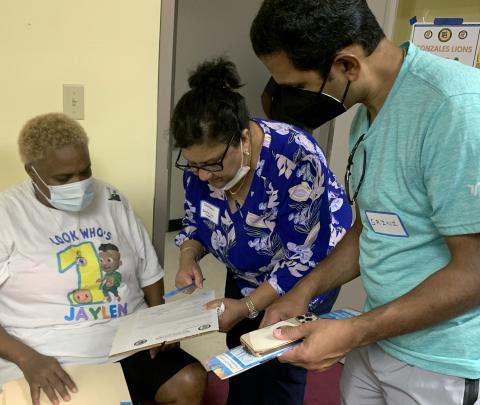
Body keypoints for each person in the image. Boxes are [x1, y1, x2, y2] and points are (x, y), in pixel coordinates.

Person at [250, 1, 480, 404]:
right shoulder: (368, 113)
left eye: (299, 86)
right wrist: (303, 291)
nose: (290, 101)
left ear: (347, 66)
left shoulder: (454, 108)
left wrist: (354, 331)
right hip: (379, 334)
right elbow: (368, 228)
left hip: (439, 362)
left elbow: (475, 270)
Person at [171, 57, 352, 405]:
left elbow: (304, 256)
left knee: (279, 357)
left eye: (212, 164)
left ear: (243, 138)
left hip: (306, 267)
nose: (204, 175)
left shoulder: (294, 157)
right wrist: (187, 257)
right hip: (247, 265)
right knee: (241, 345)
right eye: (193, 165)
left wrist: (246, 305)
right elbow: (196, 221)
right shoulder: (201, 168)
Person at [0, 113, 206, 405]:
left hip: (128, 340)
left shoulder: (112, 199)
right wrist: (26, 359)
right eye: (63, 178)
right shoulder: (7, 214)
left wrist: (158, 322)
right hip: (49, 353)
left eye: (85, 172)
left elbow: (149, 272)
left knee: (189, 379)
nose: (79, 184)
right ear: (32, 171)